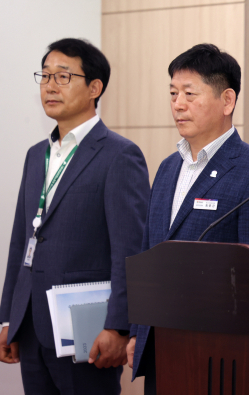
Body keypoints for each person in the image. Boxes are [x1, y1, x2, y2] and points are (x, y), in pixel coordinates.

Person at [127, 43, 249, 394]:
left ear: (227, 101)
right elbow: (148, 256)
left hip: (220, 360)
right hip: (160, 348)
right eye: (172, 93)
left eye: (189, 93)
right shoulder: (168, 168)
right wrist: (137, 333)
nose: (178, 104)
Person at [0, 38, 150, 394]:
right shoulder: (36, 155)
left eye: (63, 76)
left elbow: (130, 250)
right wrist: (9, 316)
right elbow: (22, 241)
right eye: (45, 76)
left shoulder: (120, 155)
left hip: (85, 331)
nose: (50, 85)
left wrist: (118, 327)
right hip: (32, 327)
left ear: (95, 88)